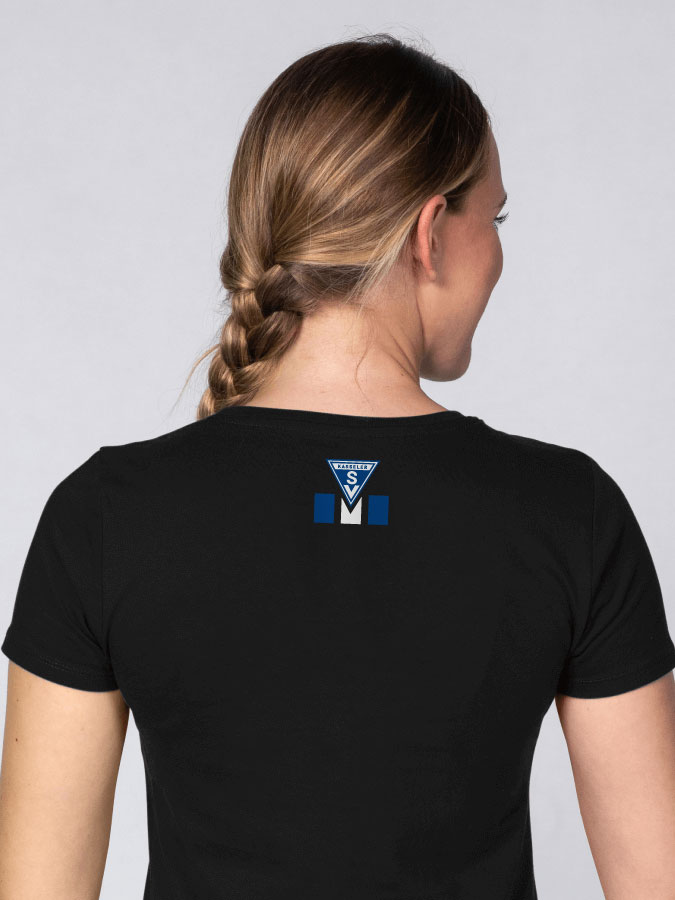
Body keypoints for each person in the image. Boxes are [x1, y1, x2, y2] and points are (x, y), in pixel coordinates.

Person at [0, 32, 674, 900]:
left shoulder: (102, 515)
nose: (500, 253)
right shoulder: (569, 512)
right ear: (430, 233)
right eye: (494, 219)